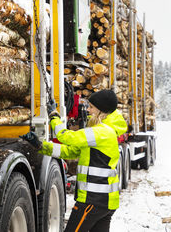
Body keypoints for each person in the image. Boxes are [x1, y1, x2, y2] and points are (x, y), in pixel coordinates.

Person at [22, 89, 127, 232]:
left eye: (91, 107)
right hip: (105, 203)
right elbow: (70, 151)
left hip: (92, 201)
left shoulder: (102, 132)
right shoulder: (104, 132)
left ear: (101, 110)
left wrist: (54, 116)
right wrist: (41, 146)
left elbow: (66, 137)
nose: (88, 110)